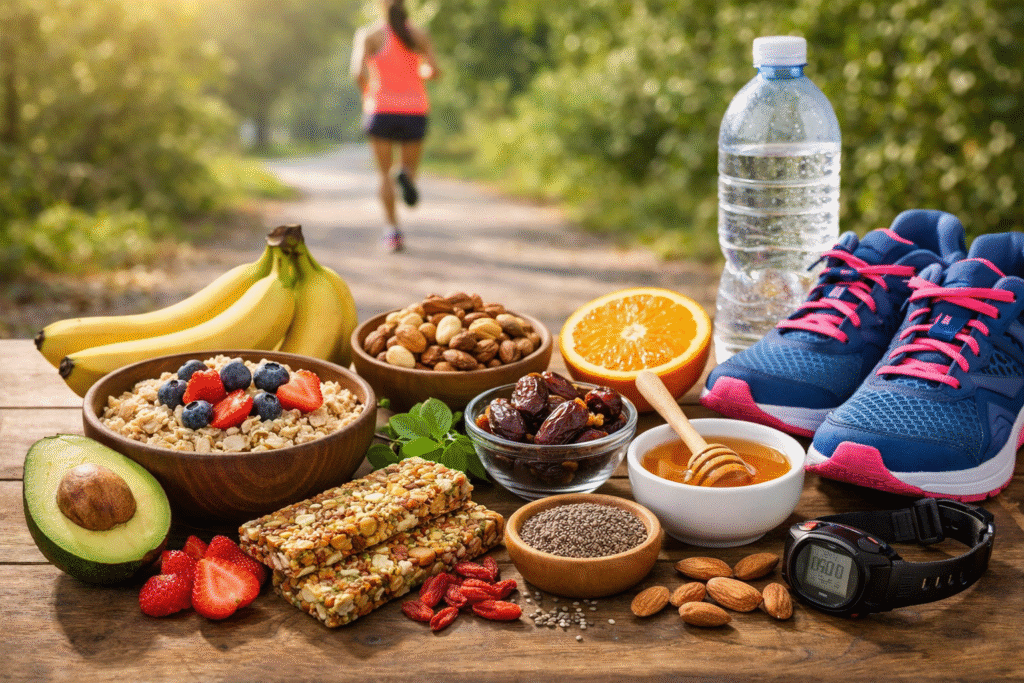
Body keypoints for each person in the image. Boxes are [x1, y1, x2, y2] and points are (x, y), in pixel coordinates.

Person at [351, 0, 441, 253]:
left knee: (384, 175)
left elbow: (357, 72)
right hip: (414, 109)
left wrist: (368, 93)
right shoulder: (419, 34)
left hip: (381, 109)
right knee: (408, 171)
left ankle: (392, 231)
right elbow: (434, 71)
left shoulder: (369, 35)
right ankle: (405, 176)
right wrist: (417, 73)